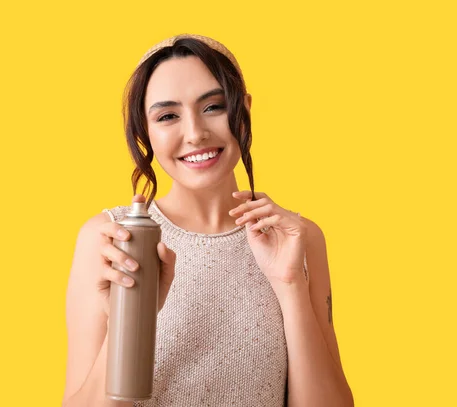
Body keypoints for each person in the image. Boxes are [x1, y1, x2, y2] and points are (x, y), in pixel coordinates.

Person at [62, 33, 354, 407]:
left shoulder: (297, 238)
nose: (196, 133)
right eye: (168, 116)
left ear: (244, 109)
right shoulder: (111, 240)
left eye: (213, 106)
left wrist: (290, 285)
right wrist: (130, 317)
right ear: (144, 131)